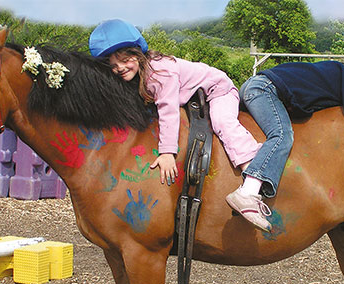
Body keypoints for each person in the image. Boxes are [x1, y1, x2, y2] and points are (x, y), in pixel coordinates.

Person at [89, 18, 264, 224]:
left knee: (222, 121)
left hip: (217, 89)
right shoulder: (138, 73)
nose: (119, 67)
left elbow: (168, 110)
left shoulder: (159, 73)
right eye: (112, 64)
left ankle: (253, 171)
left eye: (125, 59)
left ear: (138, 53)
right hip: (191, 94)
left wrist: (167, 153)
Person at [225, 61, 344, 232]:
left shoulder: (342, 81)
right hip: (265, 89)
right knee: (282, 135)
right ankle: (247, 193)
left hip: (260, 87)